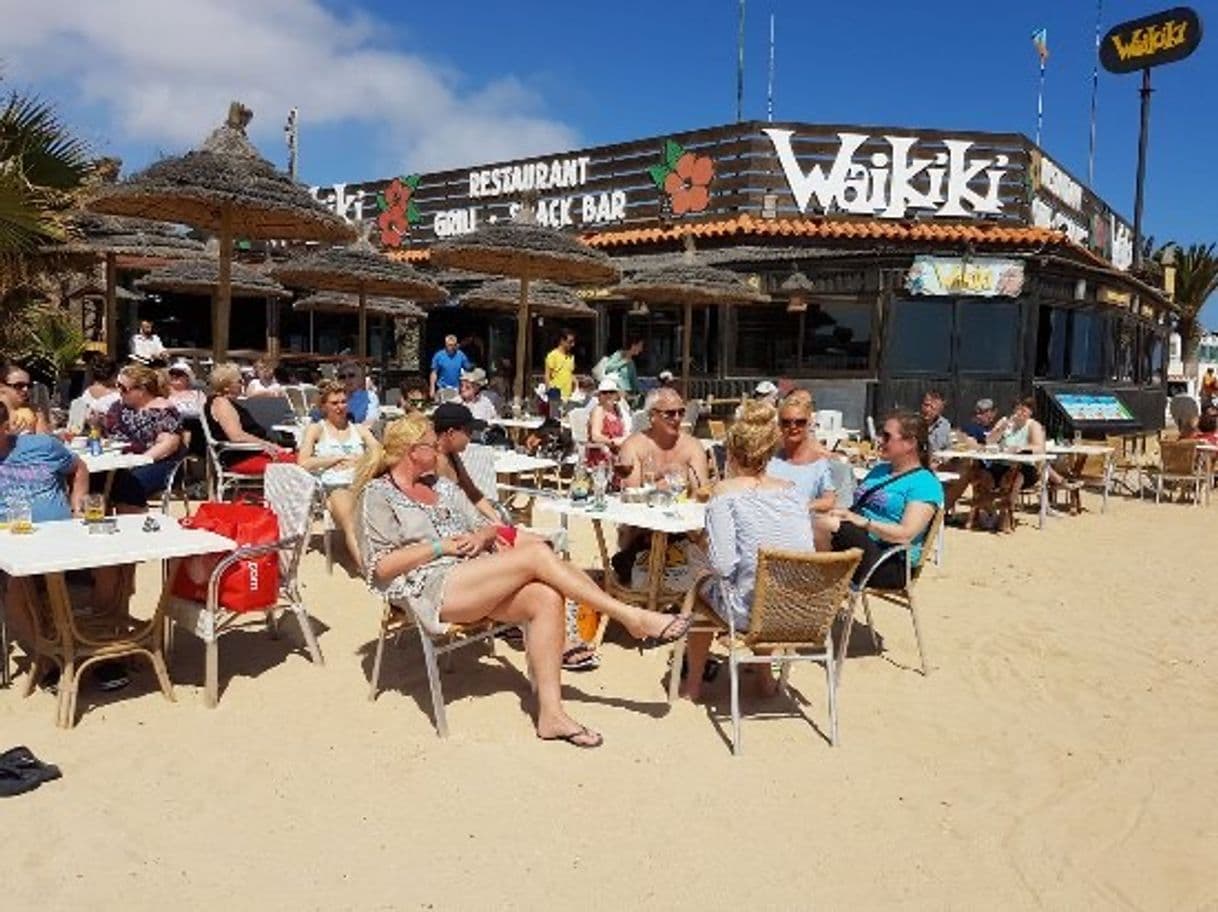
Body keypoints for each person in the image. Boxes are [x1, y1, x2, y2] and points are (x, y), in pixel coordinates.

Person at [355, 413, 692, 748]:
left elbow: (483, 524)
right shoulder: (379, 494)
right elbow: (380, 567)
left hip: (474, 575)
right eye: (432, 446)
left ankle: (552, 715)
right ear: (414, 451)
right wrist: (438, 547)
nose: (439, 453)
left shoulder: (441, 487)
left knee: (545, 596)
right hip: (425, 587)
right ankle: (630, 616)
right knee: (536, 556)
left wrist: (485, 533)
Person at [678, 400, 817, 702]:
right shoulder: (793, 491)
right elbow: (804, 548)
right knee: (762, 577)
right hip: (796, 611)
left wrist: (700, 544)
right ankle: (765, 680)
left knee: (699, 574)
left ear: (730, 452)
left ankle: (692, 685)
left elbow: (723, 565)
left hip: (748, 614)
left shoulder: (725, 494)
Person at [815, 411, 942, 587]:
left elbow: (906, 534)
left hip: (890, 561)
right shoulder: (880, 470)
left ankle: (822, 594)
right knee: (806, 520)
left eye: (887, 436)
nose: (879, 440)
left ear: (910, 443)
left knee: (824, 525)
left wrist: (864, 523)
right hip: (862, 546)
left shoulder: (925, 484)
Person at [611, 387, 711, 583]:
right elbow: (633, 496)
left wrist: (658, 484)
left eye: (681, 412)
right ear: (652, 416)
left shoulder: (692, 446)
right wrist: (666, 477)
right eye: (670, 413)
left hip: (683, 530)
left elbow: (702, 493)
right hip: (641, 531)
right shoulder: (635, 445)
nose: (677, 418)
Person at [298, 381, 378, 571]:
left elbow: (378, 452)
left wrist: (360, 460)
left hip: (361, 481)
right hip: (334, 485)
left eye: (343, 402)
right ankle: (368, 570)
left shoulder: (358, 429)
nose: (340, 407)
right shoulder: (316, 429)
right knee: (351, 521)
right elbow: (303, 462)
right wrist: (334, 460)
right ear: (324, 406)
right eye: (334, 403)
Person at [101, 364, 184, 510]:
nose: (119, 392)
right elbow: (108, 434)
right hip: (118, 461)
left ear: (142, 390)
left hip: (157, 463)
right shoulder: (118, 408)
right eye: (117, 386)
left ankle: (133, 520)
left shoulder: (163, 410)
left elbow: (168, 445)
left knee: (127, 483)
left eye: (124, 388)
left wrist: (137, 462)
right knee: (94, 480)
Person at [981, 396, 1049, 533]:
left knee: (1015, 477)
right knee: (983, 475)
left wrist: (1021, 448)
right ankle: (989, 512)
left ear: (1030, 412)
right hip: (1001, 463)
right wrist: (1000, 430)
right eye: (1018, 409)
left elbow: (1040, 447)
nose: (1021, 413)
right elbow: (988, 441)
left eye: (1025, 410)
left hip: (1024, 467)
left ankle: (1006, 515)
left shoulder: (1033, 425)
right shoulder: (1006, 421)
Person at [204, 362, 287, 472]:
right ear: (226, 386)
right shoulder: (221, 403)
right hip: (243, 458)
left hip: (253, 453)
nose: (243, 383)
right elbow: (237, 436)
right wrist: (269, 445)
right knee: (301, 464)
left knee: (300, 458)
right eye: (239, 381)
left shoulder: (226, 402)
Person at [431, 402, 501, 526]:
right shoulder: (430, 461)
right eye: (468, 431)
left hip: (460, 527)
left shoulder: (452, 456)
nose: (470, 438)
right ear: (451, 433)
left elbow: (473, 493)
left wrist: (498, 522)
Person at [767, 393, 836, 513]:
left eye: (800, 422)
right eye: (786, 422)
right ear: (779, 425)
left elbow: (829, 500)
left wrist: (800, 507)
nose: (793, 427)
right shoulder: (768, 459)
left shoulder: (819, 463)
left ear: (809, 423)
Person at [586, 376, 628, 468]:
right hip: (602, 452)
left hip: (618, 451)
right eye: (604, 392)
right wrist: (612, 442)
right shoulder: (598, 410)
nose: (608, 395)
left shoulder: (618, 410)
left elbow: (626, 431)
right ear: (599, 396)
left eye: (611, 392)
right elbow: (595, 436)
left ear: (616, 395)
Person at [0, 363, 49, 434]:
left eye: (29, 386)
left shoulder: (35, 411)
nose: (25, 389)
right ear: (2, 386)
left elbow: (43, 441)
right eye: (19, 385)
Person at [544, 328, 577, 400]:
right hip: (556, 395)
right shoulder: (552, 355)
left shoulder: (571, 357)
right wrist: (549, 393)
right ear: (562, 341)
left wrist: (576, 385)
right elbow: (547, 375)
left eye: (573, 342)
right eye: (570, 342)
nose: (572, 345)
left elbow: (570, 373)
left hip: (568, 396)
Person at [921, 390, 951, 455]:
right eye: (926, 405)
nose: (927, 410)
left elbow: (943, 448)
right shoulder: (913, 422)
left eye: (932, 407)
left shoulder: (944, 425)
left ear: (940, 409)